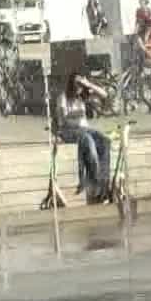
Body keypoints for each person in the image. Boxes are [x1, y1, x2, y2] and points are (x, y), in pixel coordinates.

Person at [57, 73, 110, 203]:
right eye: (77, 84)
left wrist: (89, 84)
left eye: (81, 85)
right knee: (88, 140)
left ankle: (104, 181)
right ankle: (96, 182)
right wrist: (76, 118)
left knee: (105, 140)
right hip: (69, 131)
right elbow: (62, 121)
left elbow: (104, 95)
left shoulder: (82, 96)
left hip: (84, 130)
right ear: (71, 85)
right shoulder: (63, 98)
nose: (79, 88)